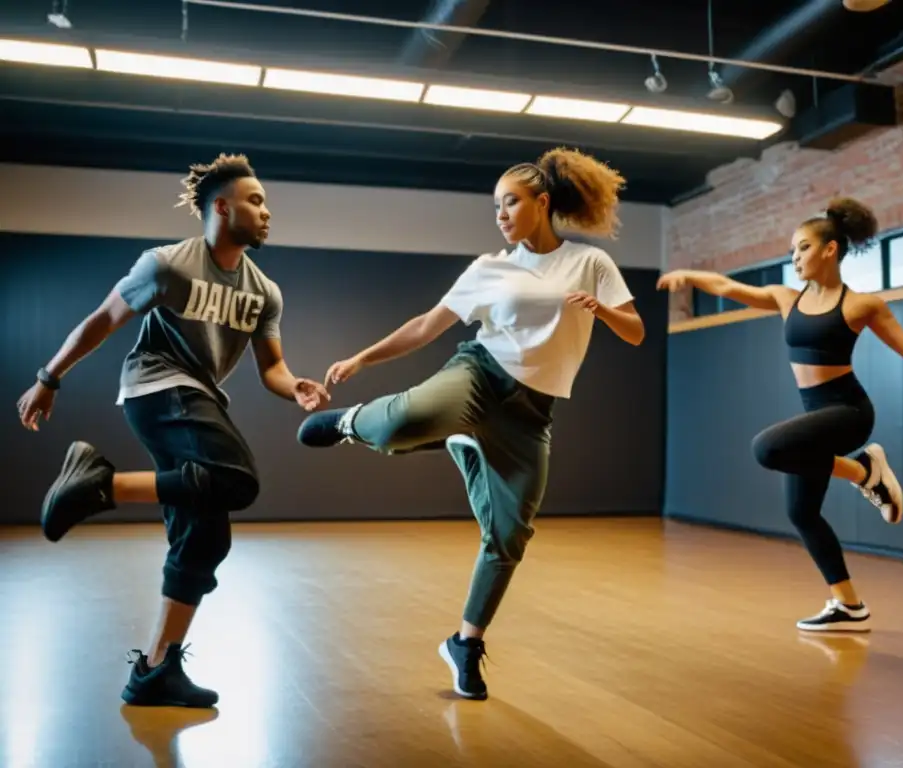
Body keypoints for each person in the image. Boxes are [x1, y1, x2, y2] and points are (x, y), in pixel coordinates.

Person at [296, 147, 645, 700]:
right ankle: (353, 423)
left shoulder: (590, 263)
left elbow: (635, 332)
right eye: (496, 206)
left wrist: (603, 310)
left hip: (532, 412)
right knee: (401, 422)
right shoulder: (488, 268)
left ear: (543, 202)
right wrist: (362, 359)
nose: (501, 214)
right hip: (480, 374)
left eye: (511, 202)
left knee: (509, 536)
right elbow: (426, 326)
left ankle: (465, 642)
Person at [15, 153, 329, 707]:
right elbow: (102, 321)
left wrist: (295, 387)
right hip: (155, 387)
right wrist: (49, 376)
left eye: (266, 203)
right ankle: (99, 485)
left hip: (202, 396)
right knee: (236, 479)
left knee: (206, 537)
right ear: (221, 207)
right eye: (256, 201)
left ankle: (155, 671)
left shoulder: (265, 291)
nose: (266, 212)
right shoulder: (167, 265)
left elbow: (272, 368)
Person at [657, 197, 903, 632]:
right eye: (792, 250)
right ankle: (849, 605)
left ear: (829, 249)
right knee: (802, 513)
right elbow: (729, 289)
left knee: (766, 448)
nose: (795, 257)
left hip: (848, 413)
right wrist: (689, 275)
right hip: (816, 418)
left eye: (802, 247)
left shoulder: (860, 305)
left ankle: (864, 470)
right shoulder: (786, 298)